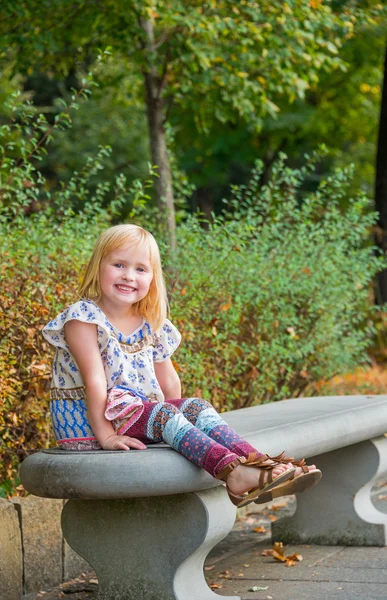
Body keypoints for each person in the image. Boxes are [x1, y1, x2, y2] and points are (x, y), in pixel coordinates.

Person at [43, 224, 321, 508]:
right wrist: (107, 436)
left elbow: (170, 384)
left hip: (133, 415)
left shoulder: (150, 321)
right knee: (164, 414)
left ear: (153, 278)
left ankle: (260, 464)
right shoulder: (83, 318)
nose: (128, 276)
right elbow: (95, 381)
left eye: (141, 269)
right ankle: (234, 475)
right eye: (118, 264)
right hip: (91, 425)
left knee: (196, 407)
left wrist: (176, 424)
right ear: (97, 266)